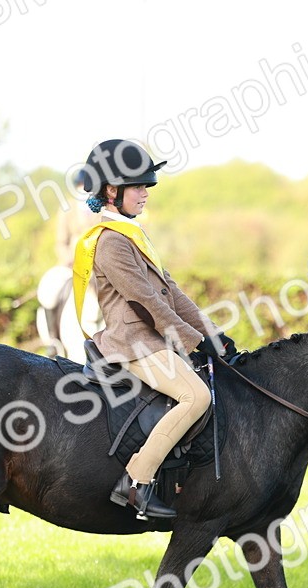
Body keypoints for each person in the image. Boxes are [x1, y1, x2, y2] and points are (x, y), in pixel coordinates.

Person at [74, 139, 236, 519]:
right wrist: (194, 341)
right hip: (132, 343)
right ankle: (136, 482)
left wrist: (211, 333)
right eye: (138, 187)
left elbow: (172, 294)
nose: (145, 193)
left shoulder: (133, 236)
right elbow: (145, 302)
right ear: (111, 191)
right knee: (196, 396)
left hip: (153, 340)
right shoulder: (110, 243)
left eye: (147, 186)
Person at [36, 172, 103, 360]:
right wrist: (69, 259)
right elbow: (61, 242)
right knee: (50, 291)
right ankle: (54, 341)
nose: (85, 190)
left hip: (98, 264)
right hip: (70, 265)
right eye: (81, 186)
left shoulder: (102, 209)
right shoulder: (67, 210)